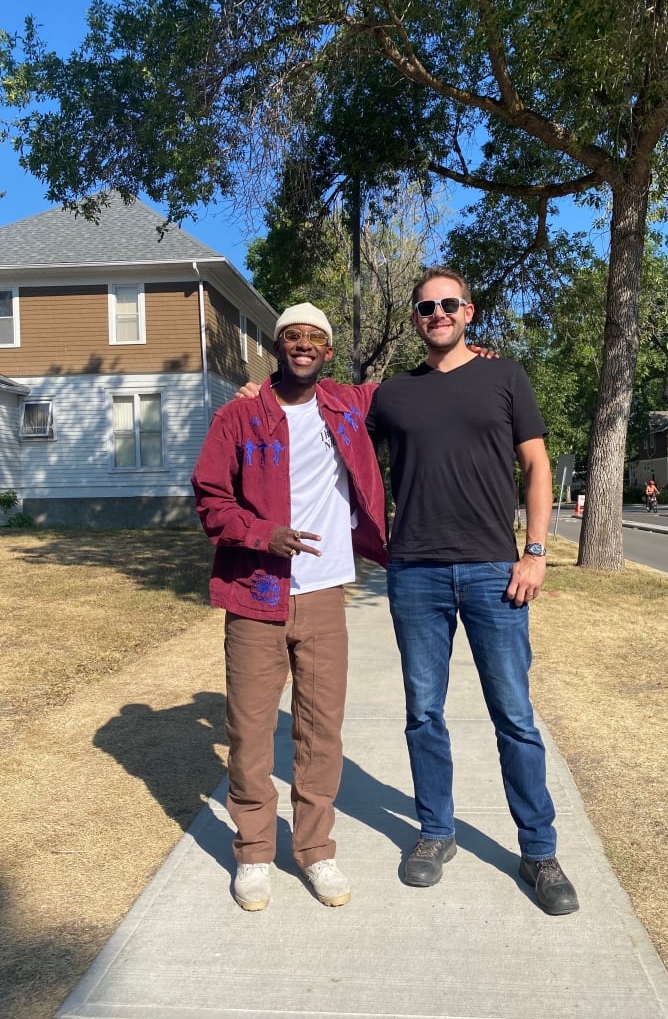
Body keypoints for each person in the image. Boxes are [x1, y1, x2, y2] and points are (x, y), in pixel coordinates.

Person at [366, 266, 579, 915]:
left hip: (494, 571)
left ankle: (538, 851)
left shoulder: (504, 377)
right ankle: (436, 833)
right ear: (415, 319)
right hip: (416, 574)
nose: (438, 312)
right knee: (424, 712)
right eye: (426, 305)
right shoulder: (392, 396)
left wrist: (536, 552)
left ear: (469, 312)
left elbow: (537, 465)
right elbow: (335, 434)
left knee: (513, 716)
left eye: (449, 303)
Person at [191, 302, 387, 911]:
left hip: (325, 595)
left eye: (315, 339)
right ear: (277, 347)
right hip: (256, 591)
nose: (303, 345)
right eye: (292, 337)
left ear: (328, 353)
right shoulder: (241, 415)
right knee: (250, 731)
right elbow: (209, 498)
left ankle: (316, 851)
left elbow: (418, 391)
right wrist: (261, 533)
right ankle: (253, 852)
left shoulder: (348, 405)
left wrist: (468, 357)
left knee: (320, 730)